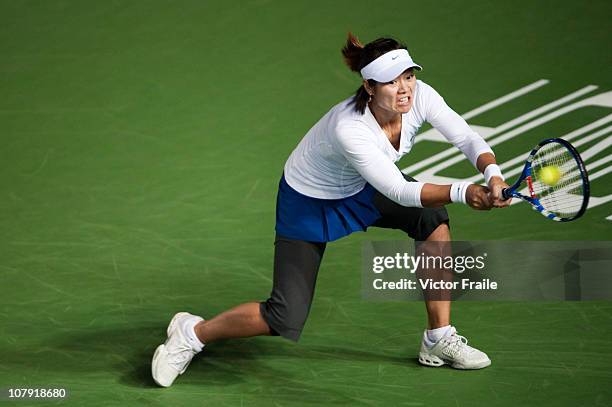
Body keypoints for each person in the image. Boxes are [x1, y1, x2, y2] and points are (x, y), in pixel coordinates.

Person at [151, 33, 511, 387]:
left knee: (432, 220)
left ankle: (437, 338)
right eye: (391, 82)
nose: (405, 89)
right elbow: (400, 190)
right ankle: (192, 333)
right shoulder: (349, 128)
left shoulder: (420, 96)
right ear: (370, 86)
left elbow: (465, 136)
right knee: (284, 315)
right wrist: (465, 192)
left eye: (409, 76)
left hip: (362, 184)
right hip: (308, 200)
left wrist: (492, 175)